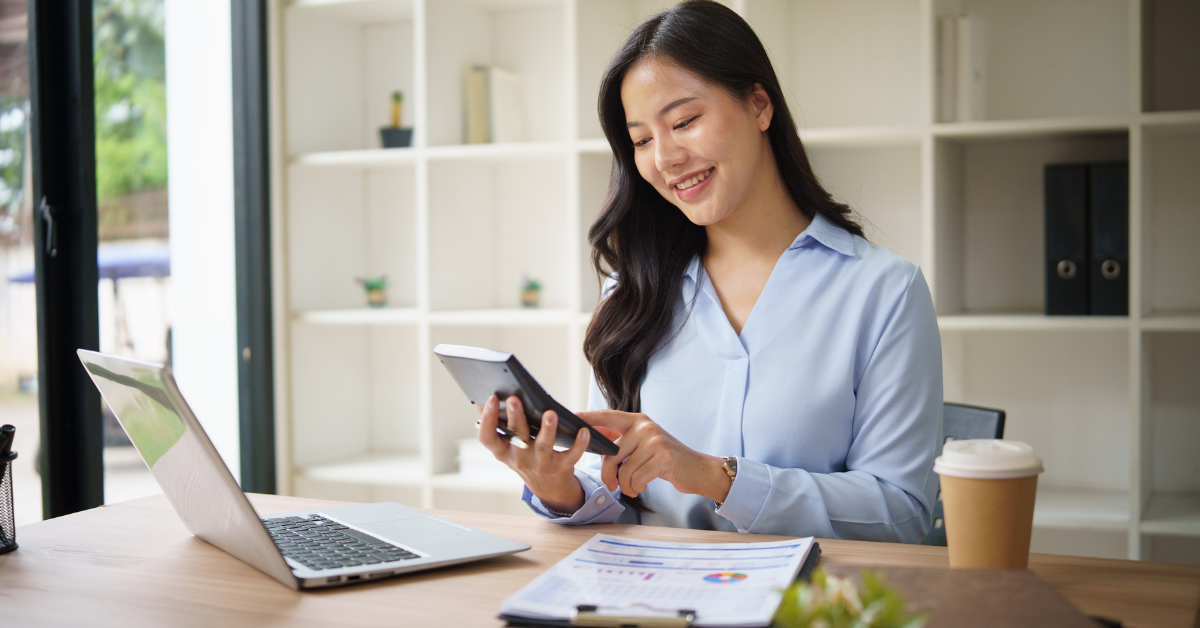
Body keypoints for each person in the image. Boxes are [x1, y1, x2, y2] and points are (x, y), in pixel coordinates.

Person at [477, 0, 942, 543]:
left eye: (685, 121)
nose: (666, 157)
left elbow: (903, 514)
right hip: (656, 603)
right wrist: (560, 487)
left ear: (760, 105)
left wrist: (716, 478)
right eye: (642, 140)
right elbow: (615, 495)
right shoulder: (632, 291)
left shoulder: (883, 291)